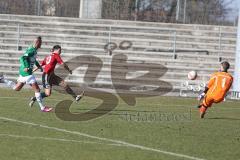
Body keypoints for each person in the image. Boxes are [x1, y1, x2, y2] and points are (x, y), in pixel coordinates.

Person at [0, 36, 52, 112]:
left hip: (23, 73)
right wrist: (26, 66)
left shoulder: (33, 50)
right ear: (37, 43)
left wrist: (38, 66)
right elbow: (22, 58)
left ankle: (2, 79)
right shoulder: (31, 50)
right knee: (37, 89)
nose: (41, 45)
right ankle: (42, 108)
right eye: (40, 43)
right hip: (27, 73)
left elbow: (33, 59)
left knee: (16, 88)